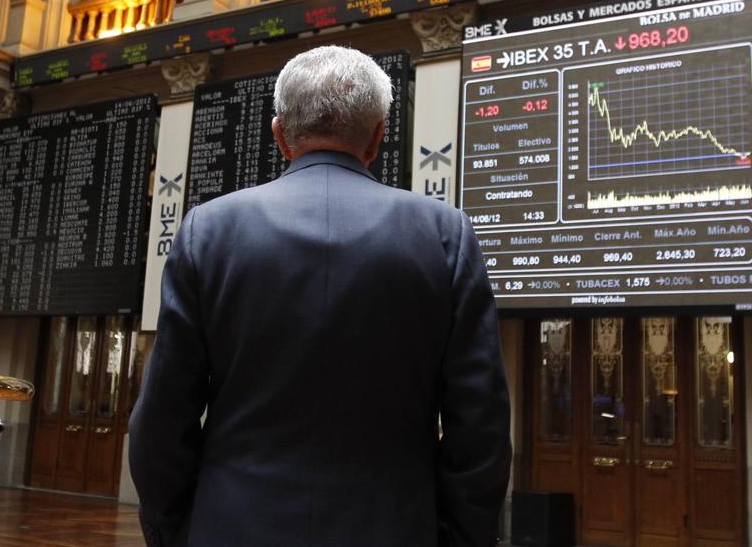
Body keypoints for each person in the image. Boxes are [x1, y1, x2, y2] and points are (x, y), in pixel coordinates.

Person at [128, 45, 511, 547]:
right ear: (377, 136)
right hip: (394, 528)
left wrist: (174, 530)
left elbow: (161, 418)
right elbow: (479, 421)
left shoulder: (209, 230)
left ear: (280, 134)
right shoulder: (445, 235)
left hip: (232, 525)